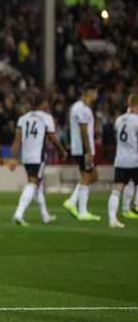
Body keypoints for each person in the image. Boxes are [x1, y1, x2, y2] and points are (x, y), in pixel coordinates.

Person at [8, 95, 67, 226]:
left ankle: (45, 216)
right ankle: (18, 214)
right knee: (33, 184)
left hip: (27, 157)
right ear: (43, 103)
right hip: (38, 156)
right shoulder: (46, 118)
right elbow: (52, 137)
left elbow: (17, 140)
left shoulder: (23, 118)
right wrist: (62, 150)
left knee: (38, 187)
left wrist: (13, 157)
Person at [63, 86, 101, 221]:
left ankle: (72, 201)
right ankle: (83, 211)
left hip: (83, 147)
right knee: (87, 176)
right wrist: (89, 151)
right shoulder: (82, 109)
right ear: (91, 93)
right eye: (96, 93)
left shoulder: (79, 107)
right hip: (83, 148)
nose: (97, 96)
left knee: (92, 175)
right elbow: (83, 130)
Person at [106, 95, 138, 228]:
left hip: (120, 159)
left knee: (116, 191)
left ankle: (112, 219)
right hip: (135, 159)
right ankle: (135, 207)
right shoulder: (137, 120)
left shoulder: (119, 120)